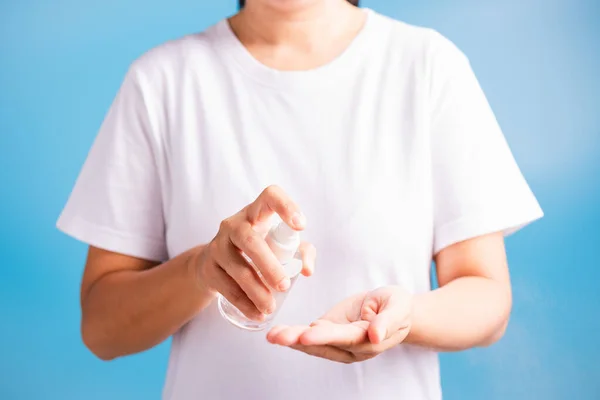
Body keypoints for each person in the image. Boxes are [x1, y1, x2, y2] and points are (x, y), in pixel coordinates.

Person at [56, 0, 544, 399]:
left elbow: (488, 298)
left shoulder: (428, 68)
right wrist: (201, 269)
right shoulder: (161, 82)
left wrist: (405, 318)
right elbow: (103, 327)